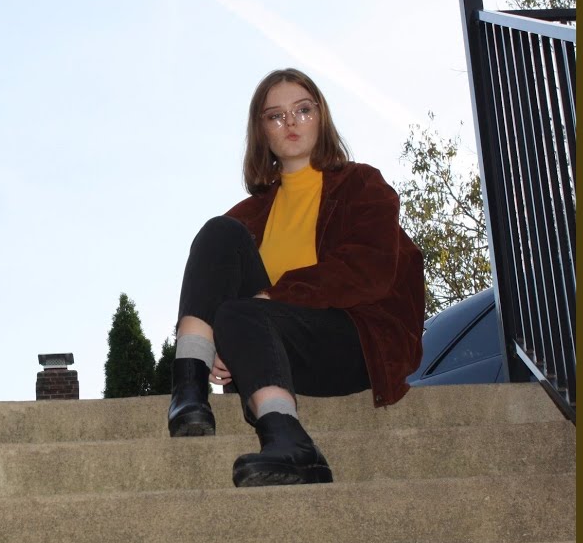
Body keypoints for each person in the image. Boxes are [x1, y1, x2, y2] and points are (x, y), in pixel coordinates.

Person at [167, 67, 426, 488]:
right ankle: (192, 389)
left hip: (351, 344)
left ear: (321, 117)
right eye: (275, 116)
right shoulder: (248, 215)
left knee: (246, 312)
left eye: (303, 110)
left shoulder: (361, 184)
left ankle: (284, 434)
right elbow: (211, 287)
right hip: (270, 351)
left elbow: (369, 271)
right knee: (219, 233)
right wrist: (218, 340)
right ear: (262, 131)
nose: (290, 122)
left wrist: (273, 297)